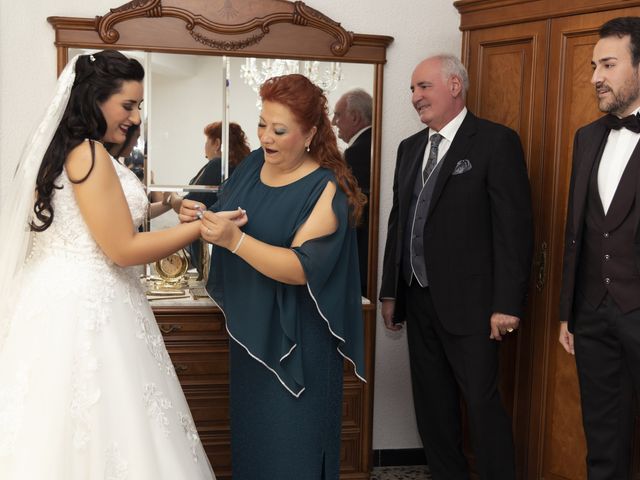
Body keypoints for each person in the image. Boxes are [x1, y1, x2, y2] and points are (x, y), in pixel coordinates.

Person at [0, 50, 220, 479]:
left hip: (57, 297)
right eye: (128, 105)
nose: (136, 117)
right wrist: (203, 230)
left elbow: (101, 218)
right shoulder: (91, 155)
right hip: (88, 307)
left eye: (139, 106)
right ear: (95, 99)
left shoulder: (64, 151)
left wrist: (171, 204)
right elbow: (122, 247)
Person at [181, 73, 367, 479]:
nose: (266, 136)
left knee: (292, 453)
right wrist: (197, 215)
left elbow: (302, 268)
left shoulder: (326, 188)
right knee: (255, 450)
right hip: (253, 341)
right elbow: (227, 213)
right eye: (262, 124)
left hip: (302, 343)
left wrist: (234, 241)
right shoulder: (251, 166)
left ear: (310, 134)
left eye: (279, 130)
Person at [379, 54, 533, 480]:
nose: (415, 97)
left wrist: (507, 304)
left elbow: (513, 230)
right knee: (432, 407)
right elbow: (399, 222)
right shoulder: (410, 149)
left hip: (475, 307)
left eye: (423, 87)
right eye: (412, 89)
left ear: (454, 86)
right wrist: (391, 291)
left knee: (482, 407)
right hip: (418, 298)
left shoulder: (495, 142)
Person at [558, 16, 640, 480]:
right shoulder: (587, 137)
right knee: (603, 442)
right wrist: (568, 312)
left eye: (608, 64)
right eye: (594, 65)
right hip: (593, 314)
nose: (594, 77)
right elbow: (579, 230)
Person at [332, 88, 372, 296]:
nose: (333, 122)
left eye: (337, 115)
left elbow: (354, 208)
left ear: (355, 117)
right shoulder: (374, 142)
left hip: (362, 249)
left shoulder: (357, 152)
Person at [167, 121, 251, 213]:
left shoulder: (218, 165)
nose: (205, 145)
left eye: (207, 141)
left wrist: (172, 195)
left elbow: (188, 207)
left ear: (217, 144)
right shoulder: (241, 165)